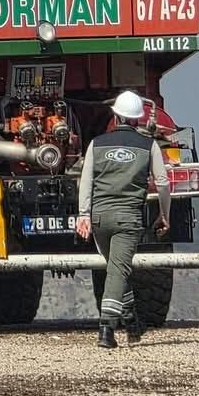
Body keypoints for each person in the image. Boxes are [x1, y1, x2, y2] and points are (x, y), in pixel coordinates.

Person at [76, 90, 171, 349]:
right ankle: (106, 328)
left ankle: (131, 323)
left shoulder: (96, 144)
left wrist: (83, 215)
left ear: (115, 115)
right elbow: (162, 183)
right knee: (119, 270)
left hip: (99, 219)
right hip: (128, 219)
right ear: (138, 119)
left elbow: (85, 182)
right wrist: (164, 214)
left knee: (115, 268)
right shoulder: (148, 146)